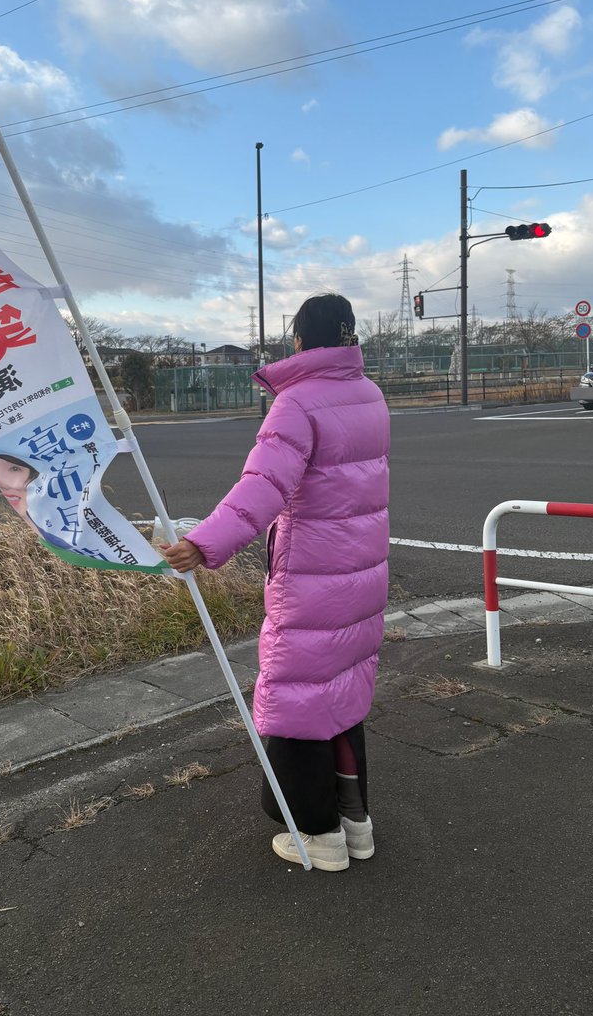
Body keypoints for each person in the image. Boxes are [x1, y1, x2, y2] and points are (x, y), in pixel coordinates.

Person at [163, 293, 390, 872]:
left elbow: (262, 489)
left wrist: (203, 543)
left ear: (298, 340)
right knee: (339, 692)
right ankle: (354, 824)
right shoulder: (368, 393)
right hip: (362, 571)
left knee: (296, 698)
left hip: (312, 574)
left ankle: (317, 835)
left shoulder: (295, 404)